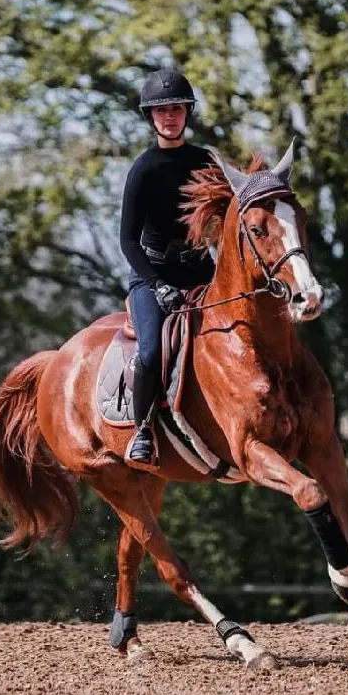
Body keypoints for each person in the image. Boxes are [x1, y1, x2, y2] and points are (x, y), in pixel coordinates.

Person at [120, 67, 215, 465]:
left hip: (201, 271)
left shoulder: (206, 161)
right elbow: (127, 240)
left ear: (187, 113)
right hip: (152, 275)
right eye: (161, 111)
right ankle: (142, 430)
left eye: (176, 108)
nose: (169, 116)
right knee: (150, 351)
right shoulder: (143, 169)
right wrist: (156, 284)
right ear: (151, 118)